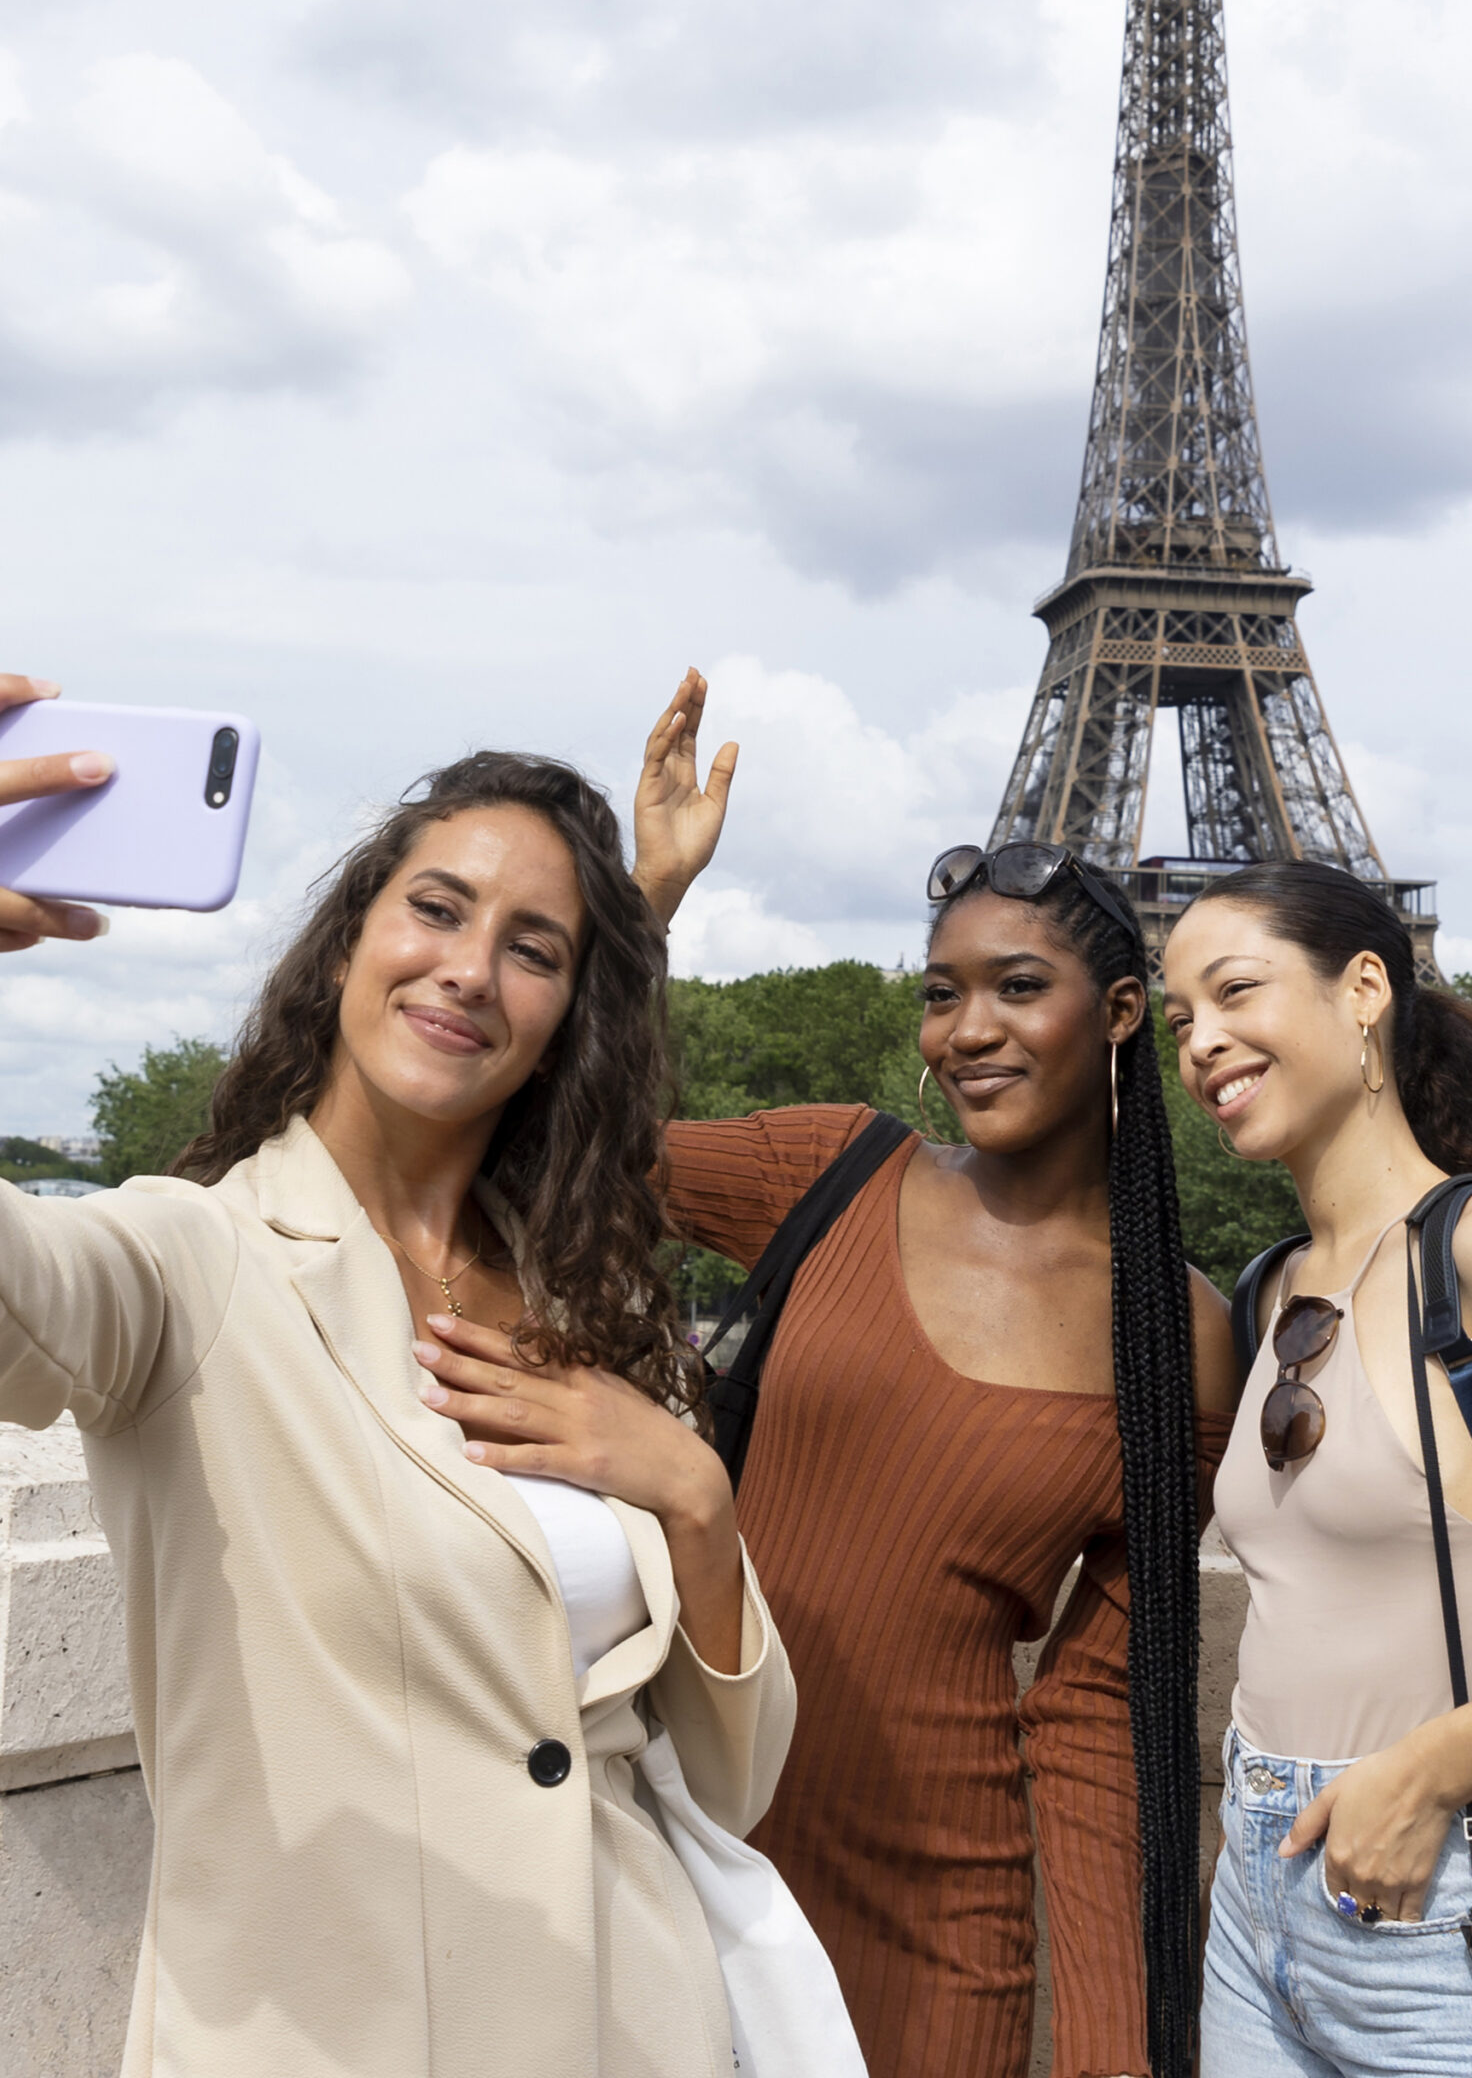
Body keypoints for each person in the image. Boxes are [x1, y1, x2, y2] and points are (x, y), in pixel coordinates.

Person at [0, 671, 819, 2078]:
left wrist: (692, 1493)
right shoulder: (201, 1260)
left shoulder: (595, 1302)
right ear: (344, 946)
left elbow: (729, 1779)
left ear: (571, 1012)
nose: (467, 968)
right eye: (435, 910)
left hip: (637, 2023)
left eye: (533, 950)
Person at [445, 681, 1239, 2077]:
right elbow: (528, 1137)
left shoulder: (1177, 1336)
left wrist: (1116, 2055)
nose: (966, 1029)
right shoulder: (829, 1169)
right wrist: (641, 908)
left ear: (1120, 1011)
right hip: (687, 1836)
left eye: (1015, 989)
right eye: (941, 994)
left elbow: (1097, 1715)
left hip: (943, 1915)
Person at [1160, 861, 1472, 2077]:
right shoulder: (1269, 1288)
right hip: (1253, 1888)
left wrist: (1427, 1770)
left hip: (1446, 1882)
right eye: (1181, 1017)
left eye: (1236, 989)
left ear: (1364, 990)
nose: (1202, 1042)